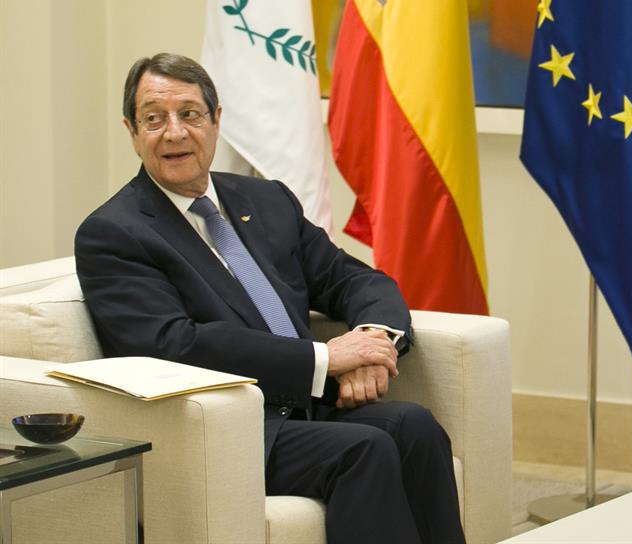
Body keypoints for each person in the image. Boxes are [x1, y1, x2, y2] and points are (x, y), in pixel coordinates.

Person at [75, 53, 464, 544]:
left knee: (415, 426)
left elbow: (350, 279)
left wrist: (372, 338)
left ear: (217, 121)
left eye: (190, 114)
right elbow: (171, 343)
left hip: (306, 405)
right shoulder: (113, 232)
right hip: (231, 425)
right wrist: (326, 356)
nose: (173, 133)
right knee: (364, 448)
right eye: (154, 118)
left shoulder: (266, 201)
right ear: (132, 130)